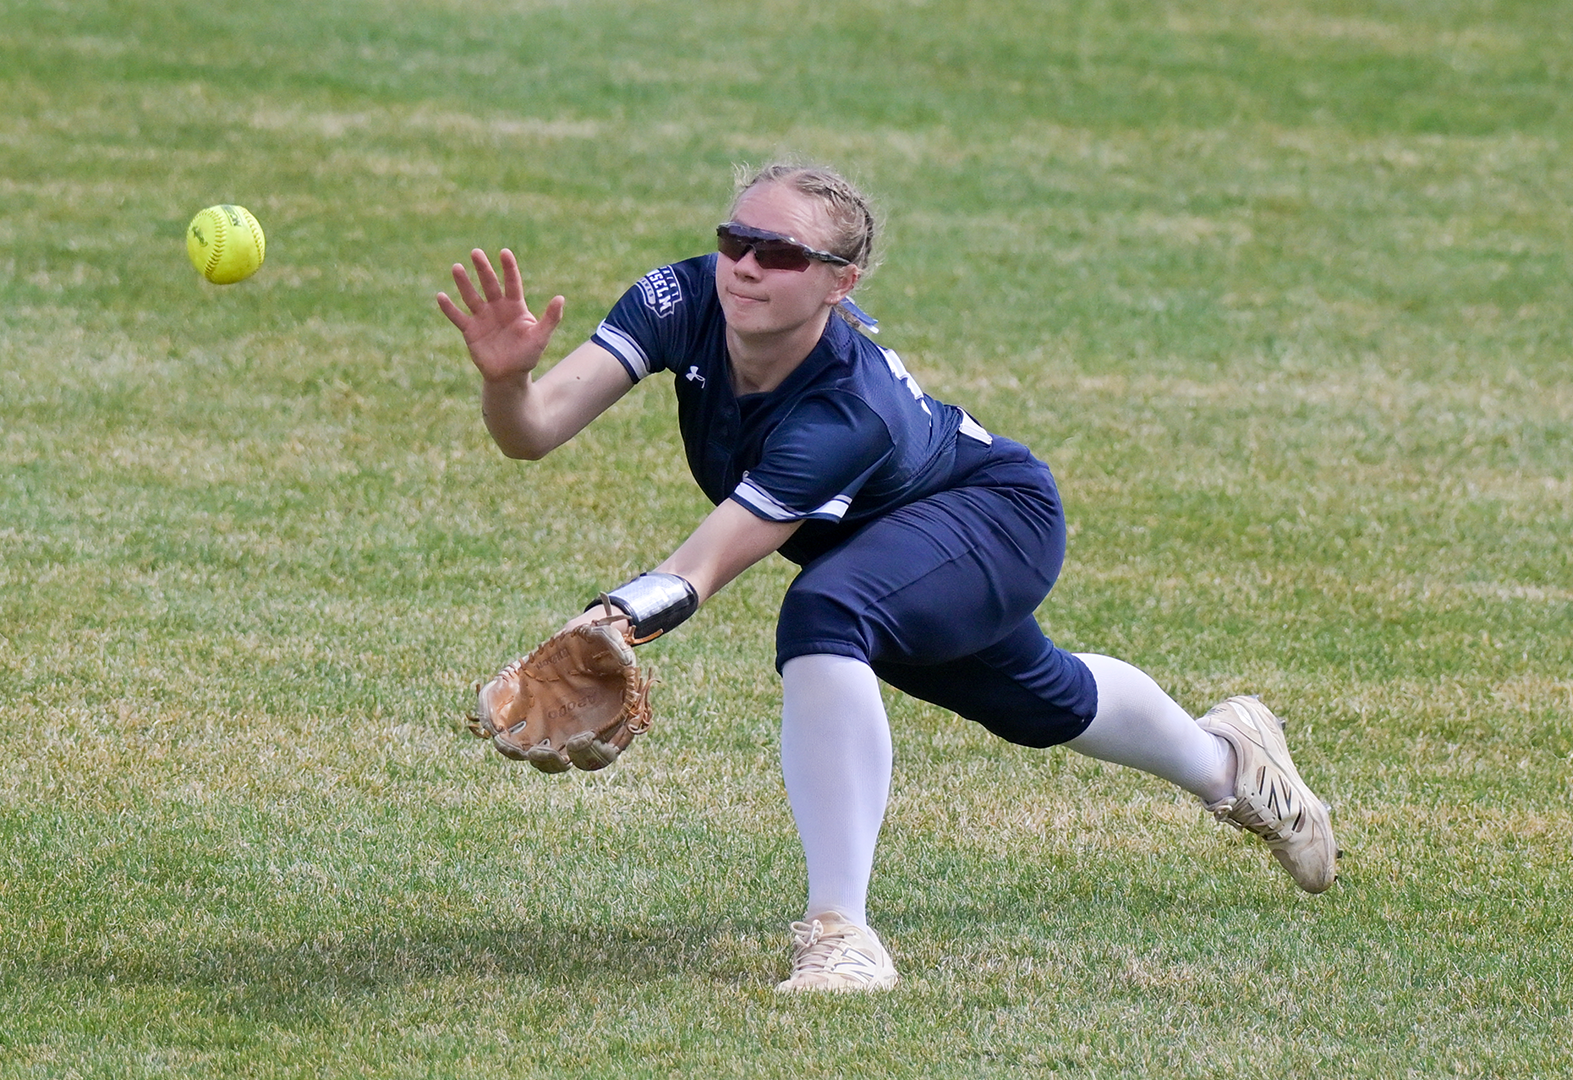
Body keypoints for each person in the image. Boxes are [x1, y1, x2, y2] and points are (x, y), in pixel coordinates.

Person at [437, 163, 1339, 992]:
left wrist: (608, 622)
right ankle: (1234, 764)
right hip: (884, 548)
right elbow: (534, 429)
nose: (746, 267)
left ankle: (843, 934)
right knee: (1035, 699)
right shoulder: (679, 295)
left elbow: (706, 563)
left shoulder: (846, 406)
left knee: (825, 614)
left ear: (841, 281)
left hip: (994, 517)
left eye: (782, 253)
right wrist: (507, 383)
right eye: (734, 241)